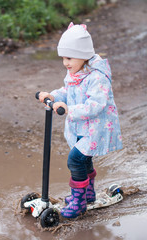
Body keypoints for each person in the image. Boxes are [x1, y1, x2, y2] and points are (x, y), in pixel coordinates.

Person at [39, 22, 123, 218]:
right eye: (63, 58)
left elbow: (97, 104)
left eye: (69, 58)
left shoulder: (97, 77)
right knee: (84, 161)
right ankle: (88, 194)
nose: (65, 63)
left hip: (96, 128)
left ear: (83, 55)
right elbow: (67, 91)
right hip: (81, 128)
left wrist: (70, 109)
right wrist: (53, 96)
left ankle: (78, 202)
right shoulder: (75, 72)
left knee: (75, 160)